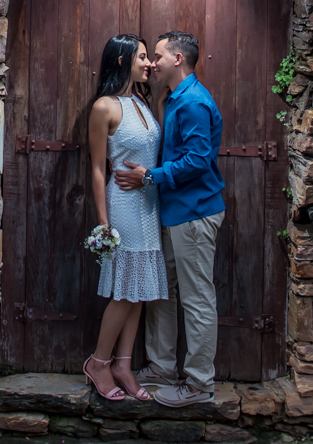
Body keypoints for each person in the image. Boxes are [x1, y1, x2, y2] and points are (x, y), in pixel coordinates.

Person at [115, 30, 224, 408]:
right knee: (164, 291)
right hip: (176, 212)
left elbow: (197, 162)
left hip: (195, 213)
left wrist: (149, 176)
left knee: (196, 299)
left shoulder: (193, 102)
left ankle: (198, 385)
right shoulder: (175, 98)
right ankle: (162, 367)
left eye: (158, 56)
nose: (152, 63)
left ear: (178, 59)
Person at [82, 34, 169, 402]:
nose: (149, 63)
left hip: (149, 205)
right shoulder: (104, 106)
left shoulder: (142, 104)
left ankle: (123, 364)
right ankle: (99, 363)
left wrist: (162, 101)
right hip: (124, 207)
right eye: (143, 57)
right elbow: (99, 170)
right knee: (126, 291)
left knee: (140, 291)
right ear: (122, 60)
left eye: (150, 58)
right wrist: (104, 222)